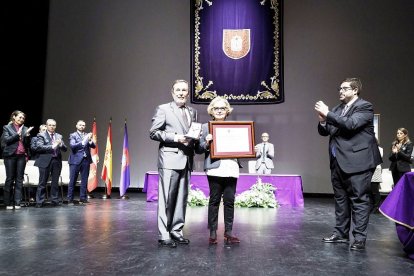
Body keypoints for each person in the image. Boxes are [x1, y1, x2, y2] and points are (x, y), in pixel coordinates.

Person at [315, 78, 382, 251]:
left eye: (344, 88)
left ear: (355, 90)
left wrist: (328, 114)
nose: (340, 91)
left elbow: (351, 124)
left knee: (359, 200)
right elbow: (326, 130)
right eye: (340, 88)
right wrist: (323, 120)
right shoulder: (337, 109)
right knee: (340, 199)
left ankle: (359, 238)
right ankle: (341, 234)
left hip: (359, 161)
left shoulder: (364, 106)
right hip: (338, 161)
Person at [149, 79, 199, 248]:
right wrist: (176, 137)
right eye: (178, 90)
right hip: (169, 160)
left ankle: (176, 231)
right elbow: (154, 133)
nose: (181, 93)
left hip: (186, 160)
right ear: (172, 92)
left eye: (184, 90)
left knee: (181, 198)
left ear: (188, 93)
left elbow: (193, 135)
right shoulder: (163, 109)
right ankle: (164, 234)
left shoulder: (193, 111)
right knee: (166, 199)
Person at [198, 97, 242, 245]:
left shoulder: (235, 127)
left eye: (222, 108)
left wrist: (250, 149)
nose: (219, 111)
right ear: (211, 110)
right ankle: (212, 233)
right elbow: (198, 148)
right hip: (215, 169)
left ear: (227, 111)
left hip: (231, 167)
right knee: (214, 200)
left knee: (230, 201)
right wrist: (206, 142)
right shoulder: (205, 127)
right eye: (216, 108)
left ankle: (228, 232)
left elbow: (242, 147)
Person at [1, 110, 34, 209]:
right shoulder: (7, 127)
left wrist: (27, 136)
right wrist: (17, 134)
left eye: (23, 118)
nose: (21, 119)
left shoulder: (25, 128)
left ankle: (17, 202)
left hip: (21, 156)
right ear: (14, 117)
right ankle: (8, 203)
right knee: (10, 178)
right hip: (10, 155)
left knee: (19, 179)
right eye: (19, 117)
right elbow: (6, 140)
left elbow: (28, 145)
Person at [34, 119, 67, 207]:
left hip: (56, 161)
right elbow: (39, 147)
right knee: (42, 182)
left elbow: (65, 149)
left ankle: (54, 200)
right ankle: (39, 201)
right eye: (50, 125)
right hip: (45, 160)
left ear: (55, 126)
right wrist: (52, 146)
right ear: (47, 125)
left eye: (53, 125)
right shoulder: (41, 135)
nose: (52, 127)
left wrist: (60, 144)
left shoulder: (59, 136)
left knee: (55, 182)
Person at [67, 120, 96, 205]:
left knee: (84, 180)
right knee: (72, 180)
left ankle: (83, 198)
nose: (82, 127)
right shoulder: (73, 135)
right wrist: (83, 141)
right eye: (80, 125)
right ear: (76, 126)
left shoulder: (87, 135)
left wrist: (90, 140)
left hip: (85, 160)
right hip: (75, 160)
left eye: (83, 125)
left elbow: (93, 146)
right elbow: (72, 146)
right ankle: (70, 199)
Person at [370, 139, 383, 214]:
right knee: (369, 189)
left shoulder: (380, 149)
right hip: (368, 170)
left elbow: (377, 159)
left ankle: (377, 207)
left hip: (376, 170)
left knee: (375, 189)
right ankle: (371, 206)